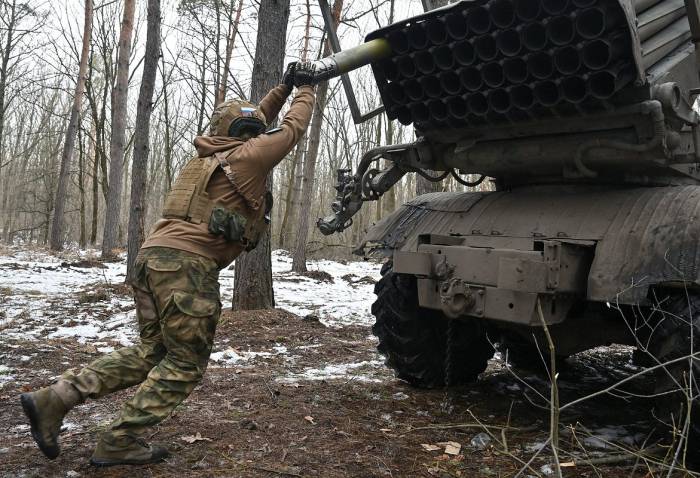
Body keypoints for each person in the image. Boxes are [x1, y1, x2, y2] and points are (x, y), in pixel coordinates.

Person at [19, 62, 316, 467]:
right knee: (184, 362)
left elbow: (254, 119)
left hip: (152, 259)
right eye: (253, 129)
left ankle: (55, 398)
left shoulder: (207, 158)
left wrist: (282, 86)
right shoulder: (249, 159)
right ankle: (121, 439)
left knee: (153, 351)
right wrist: (307, 90)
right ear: (247, 136)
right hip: (186, 267)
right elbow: (292, 129)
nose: (257, 131)